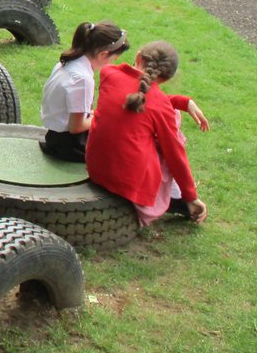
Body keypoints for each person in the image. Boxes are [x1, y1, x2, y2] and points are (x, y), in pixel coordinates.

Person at [85, 40, 208, 228]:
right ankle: (173, 199)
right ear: (167, 78)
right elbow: (174, 153)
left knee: (167, 117)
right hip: (128, 183)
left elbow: (138, 97)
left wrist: (182, 102)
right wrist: (190, 196)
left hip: (96, 168)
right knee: (174, 127)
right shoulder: (161, 105)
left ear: (138, 56)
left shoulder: (108, 73)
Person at [39, 22, 131, 161]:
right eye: (113, 60)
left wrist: (94, 114)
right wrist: (102, 116)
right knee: (122, 151)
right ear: (103, 54)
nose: (112, 64)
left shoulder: (67, 64)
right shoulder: (82, 79)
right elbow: (76, 127)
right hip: (69, 144)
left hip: (55, 136)